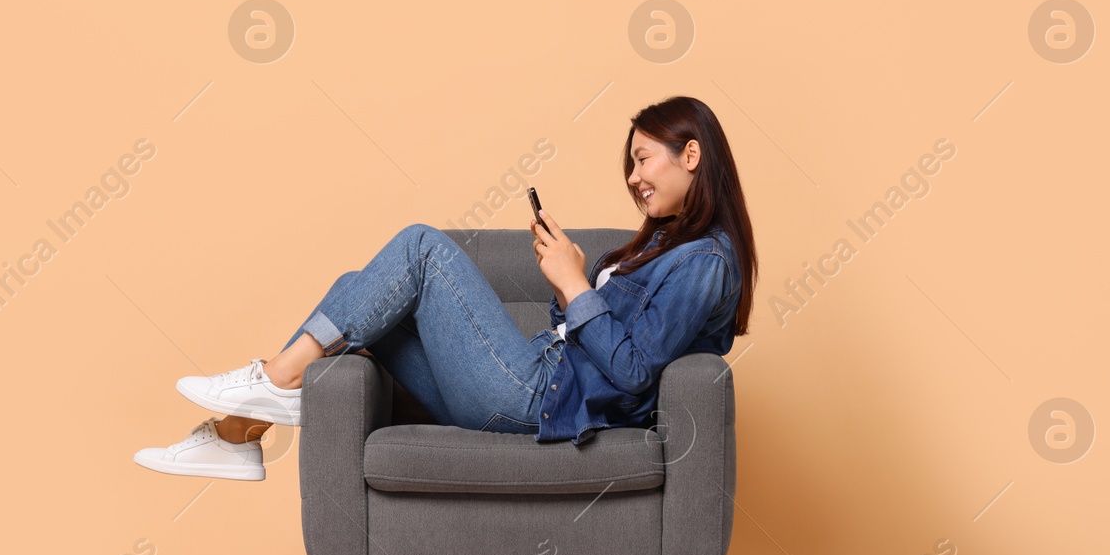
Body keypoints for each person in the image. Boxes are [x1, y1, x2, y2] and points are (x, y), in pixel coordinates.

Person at [132, 94, 757, 481]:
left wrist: (574, 282)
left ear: (692, 155)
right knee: (363, 293)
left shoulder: (706, 261)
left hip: (538, 396)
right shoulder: (664, 245)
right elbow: (598, 337)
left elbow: (634, 370)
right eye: (631, 163)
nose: (633, 176)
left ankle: (276, 378)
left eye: (644, 159)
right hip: (536, 376)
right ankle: (239, 436)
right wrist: (567, 284)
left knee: (420, 246)